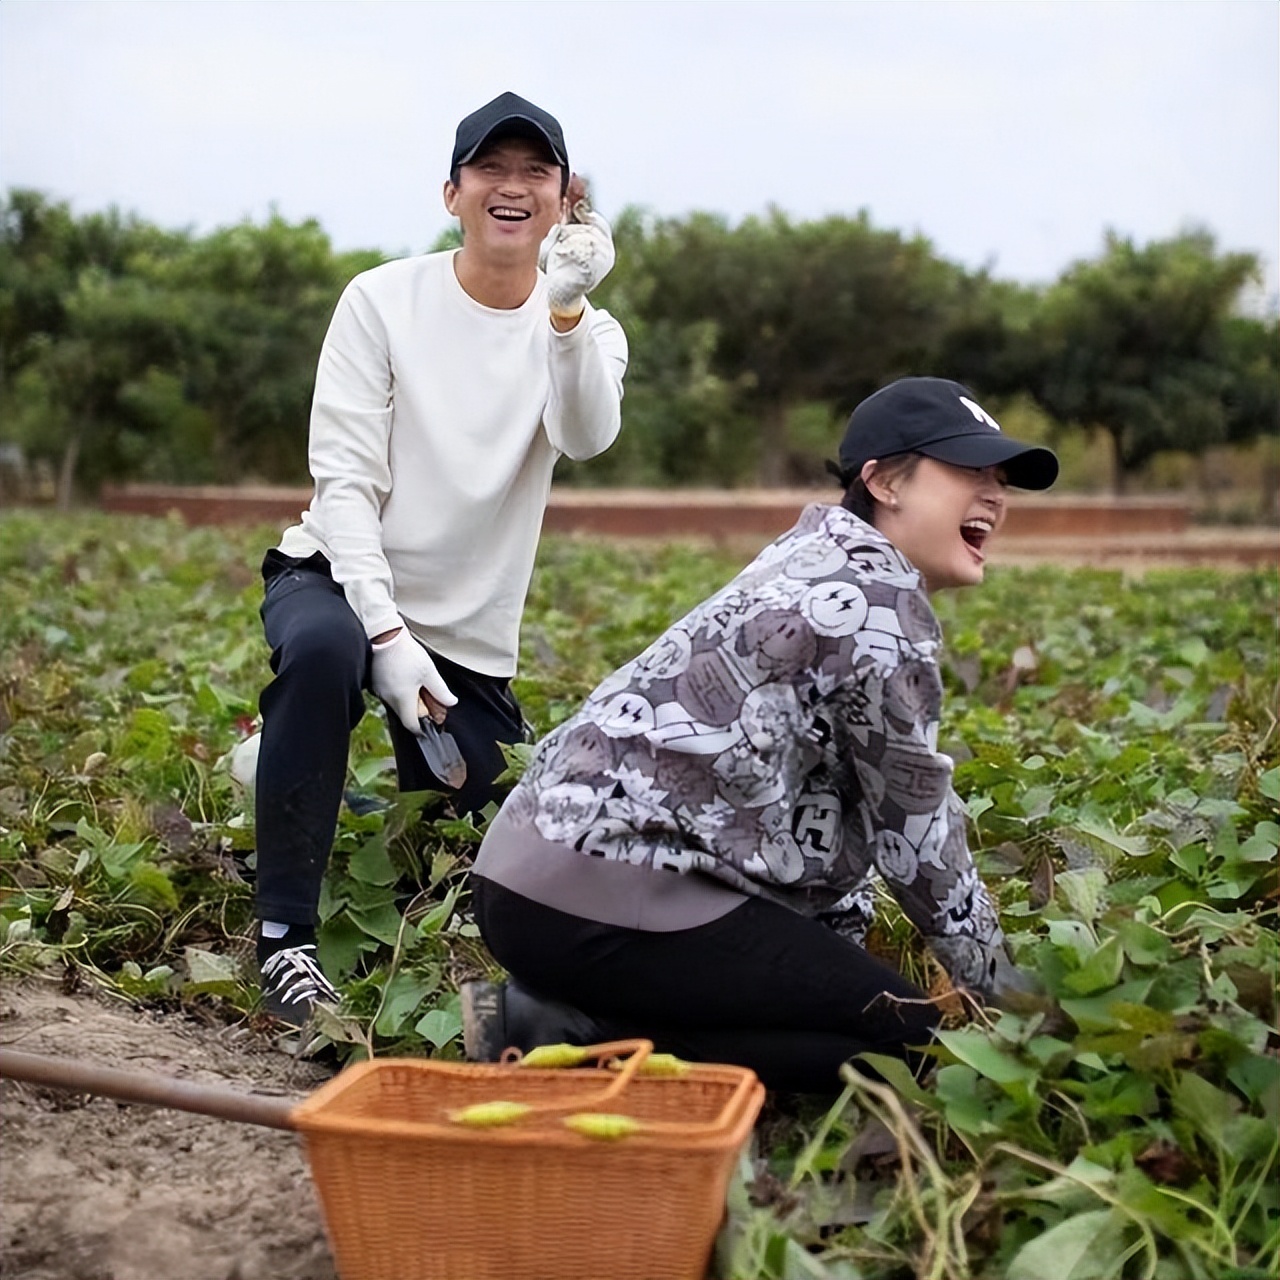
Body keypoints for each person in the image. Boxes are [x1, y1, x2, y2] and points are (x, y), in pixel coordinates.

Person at [462, 376, 1058, 1094]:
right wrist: (1011, 1004)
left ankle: (563, 1015)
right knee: (913, 1049)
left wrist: (825, 956)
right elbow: (917, 835)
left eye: (1001, 478)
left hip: (523, 880)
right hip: (607, 892)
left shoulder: (808, 557)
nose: (995, 494)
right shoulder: (873, 605)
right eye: (969, 470)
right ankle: (555, 1032)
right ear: (884, 482)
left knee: (842, 1008)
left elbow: (824, 808)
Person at [250, 91, 627, 1026]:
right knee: (327, 655)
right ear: (451, 192)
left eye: (534, 172)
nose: (511, 188)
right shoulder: (381, 299)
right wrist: (383, 628)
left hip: (466, 631)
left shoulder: (587, 330)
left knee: (471, 849)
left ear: (565, 199)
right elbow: (343, 482)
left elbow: (586, 437)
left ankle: (278, 769)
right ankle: (284, 942)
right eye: (489, 171)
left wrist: (568, 311)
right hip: (339, 577)